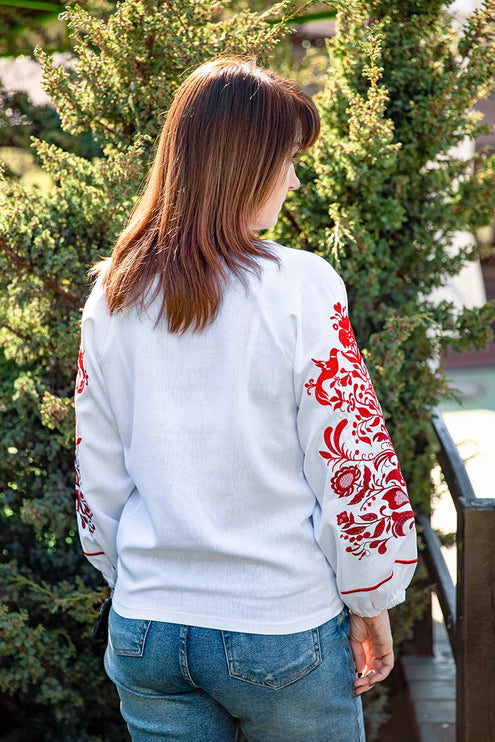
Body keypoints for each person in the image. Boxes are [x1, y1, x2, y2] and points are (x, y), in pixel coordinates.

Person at [74, 55, 418, 742]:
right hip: (278, 625)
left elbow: (97, 476)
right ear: (242, 165)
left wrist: (139, 579)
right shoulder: (301, 286)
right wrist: (370, 597)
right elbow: (350, 462)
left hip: (148, 628)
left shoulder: (112, 293)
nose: (293, 179)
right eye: (285, 160)